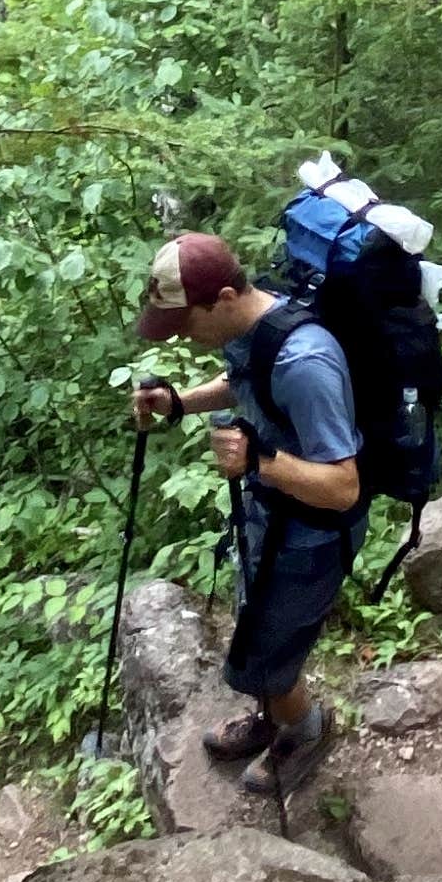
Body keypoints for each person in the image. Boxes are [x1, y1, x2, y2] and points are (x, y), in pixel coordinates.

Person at [130, 229, 360, 815]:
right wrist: (181, 403)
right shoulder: (253, 330)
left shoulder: (307, 363)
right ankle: (272, 714)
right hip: (269, 518)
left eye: (188, 322)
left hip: (311, 536)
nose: (184, 335)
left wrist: (260, 461)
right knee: (258, 629)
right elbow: (243, 384)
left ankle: (305, 730)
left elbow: (344, 487)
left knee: (271, 650)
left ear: (227, 296)